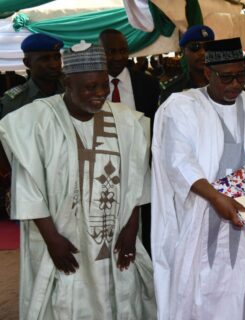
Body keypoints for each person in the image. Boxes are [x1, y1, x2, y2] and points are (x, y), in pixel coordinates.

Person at [0, 41, 156, 319]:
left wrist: (133, 229)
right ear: (67, 84)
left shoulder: (127, 121)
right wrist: (51, 239)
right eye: (89, 87)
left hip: (115, 234)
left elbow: (137, 177)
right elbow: (27, 186)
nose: (99, 94)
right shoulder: (37, 120)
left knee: (119, 297)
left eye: (103, 86)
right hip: (60, 236)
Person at [151, 37, 245, 320]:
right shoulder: (183, 107)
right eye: (227, 78)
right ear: (208, 73)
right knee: (205, 288)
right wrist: (216, 197)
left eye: (240, 76)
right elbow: (178, 160)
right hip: (202, 216)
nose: (235, 84)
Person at [99, 28, 161, 254]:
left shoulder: (148, 84)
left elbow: (156, 127)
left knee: (144, 229)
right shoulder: (91, 85)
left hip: (142, 169)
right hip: (103, 171)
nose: (117, 57)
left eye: (122, 51)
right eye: (110, 51)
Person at [0, 33, 64, 118]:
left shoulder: (72, 90)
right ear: (27, 63)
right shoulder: (15, 102)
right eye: (45, 59)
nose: (54, 65)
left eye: (57, 57)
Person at [159, 25, 215, 103]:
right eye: (195, 46)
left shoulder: (225, 82)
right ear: (183, 51)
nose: (203, 52)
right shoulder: (172, 89)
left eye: (208, 46)